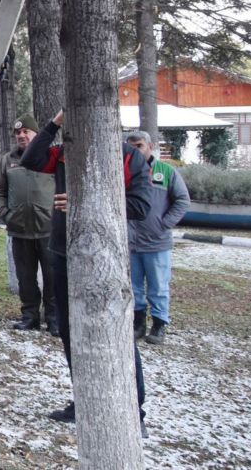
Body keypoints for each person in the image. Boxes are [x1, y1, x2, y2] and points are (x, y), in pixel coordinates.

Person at [21, 110, 152, 430]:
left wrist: (84, 200)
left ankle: (135, 409)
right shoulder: (65, 152)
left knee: (116, 332)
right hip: (63, 253)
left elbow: (141, 206)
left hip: (104, 257)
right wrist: (53, 124)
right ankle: (85, 400)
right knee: (69, 331)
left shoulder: (127, 156)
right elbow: (31, 160)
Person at [0, 114, 58, 334]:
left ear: (36, 134)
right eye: (17, 132)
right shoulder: (7, 160)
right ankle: (29, 316)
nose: (21, 136)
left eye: (26, 132)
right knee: (25, 277)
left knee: (52, 277)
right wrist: (5, 214)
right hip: (19, 229)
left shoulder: (50, 157)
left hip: (47, 229)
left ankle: (53, 318)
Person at [125, 130, 190, 344]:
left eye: (139, 146)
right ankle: (138, 323)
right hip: (130, 242)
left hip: (156, 243)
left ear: (150, 147)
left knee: (158, 287)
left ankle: (160, 324)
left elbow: (182, 200)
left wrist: (165, 223)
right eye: (131, 147)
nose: (135, 151)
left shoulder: (165, 172)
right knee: (133, 287)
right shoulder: (123, 172)